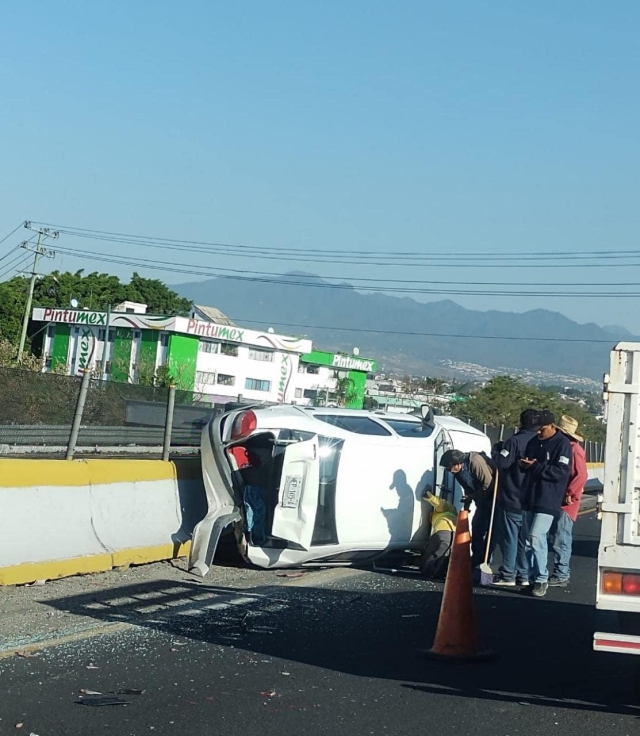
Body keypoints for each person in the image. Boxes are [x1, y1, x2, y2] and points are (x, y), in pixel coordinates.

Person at [520, 410, 572, 598]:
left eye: (542, 430)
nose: (539, 433)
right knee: (527, 541)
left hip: (548, 499)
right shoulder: (534, 442)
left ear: (552, 426)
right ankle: (533, 577)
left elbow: (561, 472)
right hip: (529, 496)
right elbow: (528, 465)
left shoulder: (562, 444)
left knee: (536, 536)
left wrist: (536, 466)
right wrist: (524, 465)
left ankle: (542, 578)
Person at [491, 409, 542, 588]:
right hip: (532, 500)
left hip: (513, 496)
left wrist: (496, 450)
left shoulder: (514, 442)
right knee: (524, 540)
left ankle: (508, 574)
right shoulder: (541, 443)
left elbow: (501, 463)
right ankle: (524, 573)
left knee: (510, 537)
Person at [439, 448, 497, 570]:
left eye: (450, 468)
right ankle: (476, 560)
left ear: (457, 463)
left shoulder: (475, 461)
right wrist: (467, 505)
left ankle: (485, 561)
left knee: (490, 532)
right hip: (480, 501)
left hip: (493, 500)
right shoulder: (457, 472)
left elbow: (488, 485)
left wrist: (472, 496)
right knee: (476, 528)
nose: (450, 471)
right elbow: (467, 487)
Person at [549, 415, 588, 587]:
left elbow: (581, 475)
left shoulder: (573, 450)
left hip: (568, 501)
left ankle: (561, 573)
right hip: (563, 497)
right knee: (558, 535)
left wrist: (570, 493)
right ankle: (560, 572)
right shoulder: (569, 448)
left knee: (561, 537)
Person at [419, 492, 458, 580]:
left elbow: (441, 503)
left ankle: (427, 572)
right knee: (444, 555)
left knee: (433, 553)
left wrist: (430, 497)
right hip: (453, 535)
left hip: (443, 532)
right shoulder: (454, 515)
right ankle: (438, 573)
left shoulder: (449, 508)